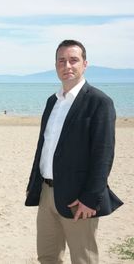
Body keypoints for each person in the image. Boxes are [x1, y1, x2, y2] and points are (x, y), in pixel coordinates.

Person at [25, 40, 123, 264]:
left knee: (83, 259)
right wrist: (34, 185)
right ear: (56, 65)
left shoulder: (99, 102)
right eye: (62, 60)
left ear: (85, 64)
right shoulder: (52, 102)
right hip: (47, 194)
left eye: (73, 60)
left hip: (79, 200)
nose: (67, 65)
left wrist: (90, 199)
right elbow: (44, 147)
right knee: (47, 257)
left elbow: (104, 154)